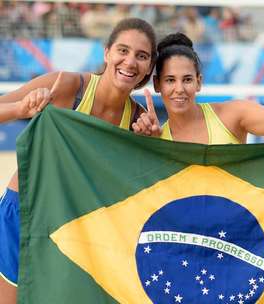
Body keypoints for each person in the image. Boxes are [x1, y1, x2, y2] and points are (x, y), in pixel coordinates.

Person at [0, 17, 157, 304]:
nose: (130, 61)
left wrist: (151, 143)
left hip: (74, 227)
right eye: (123, 50)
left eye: (142, 56)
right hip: (25, 212)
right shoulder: (68, 86)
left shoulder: (137, 121)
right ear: (107, 52)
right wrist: (22, 108)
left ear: (148, 67)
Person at [132, 32, 264, 145]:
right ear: (157, 84)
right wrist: (150, 148)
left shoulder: (233, 115)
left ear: (198, 82)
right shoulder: (155, 139)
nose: (179, 89)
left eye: (187, 80)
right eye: (170, 80)